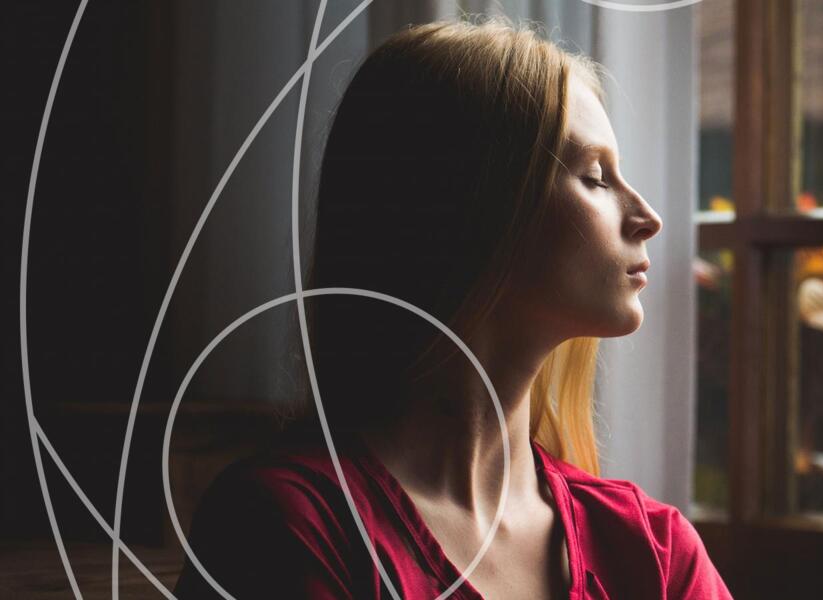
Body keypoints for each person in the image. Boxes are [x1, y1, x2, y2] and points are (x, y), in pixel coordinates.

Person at [174, 19, 731, 599]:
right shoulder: (286, 529)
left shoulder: (652, 550)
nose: (648, 216)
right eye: (594, 177)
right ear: (471, 209)